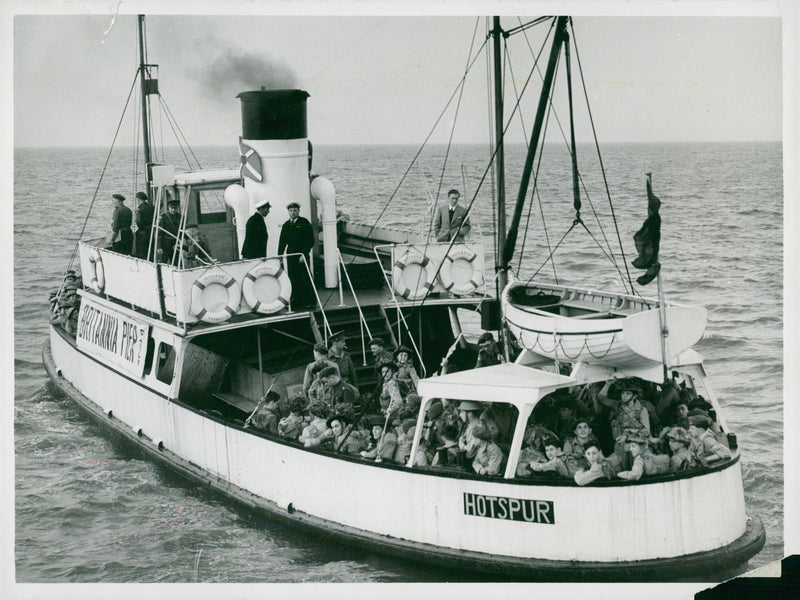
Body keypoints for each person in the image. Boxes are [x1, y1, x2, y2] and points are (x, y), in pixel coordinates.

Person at [278, 201, 315, 308]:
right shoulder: (286, 225)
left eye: (295, 210)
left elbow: (310, 240)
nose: (293, 212)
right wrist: (280, 256)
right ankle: (296, 300)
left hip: (301, 255)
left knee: (305, 277)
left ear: (298, 211)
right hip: (291, 256)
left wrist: (303, 254)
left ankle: (310, 301)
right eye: (291, 211)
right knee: (293, 278)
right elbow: (282, 242)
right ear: (288, 212)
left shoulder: (304, 222)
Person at [158, 197, 182, 265]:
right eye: (172, 208)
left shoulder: (180, 217)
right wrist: (159, 247)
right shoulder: (164, 217)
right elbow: (159, 233)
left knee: (176, 262)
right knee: (164, 262)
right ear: (168, 208)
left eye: (175, 208)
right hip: (166, 243)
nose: (173, 210)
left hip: (176, 243)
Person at [134, 191, 155, 260]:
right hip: (151, 231)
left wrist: (141, 228)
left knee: (142, 251)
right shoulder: (151, 207)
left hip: (143, 232)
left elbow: (139, 222)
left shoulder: (140, 209)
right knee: (151, 250)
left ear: (138, 199)